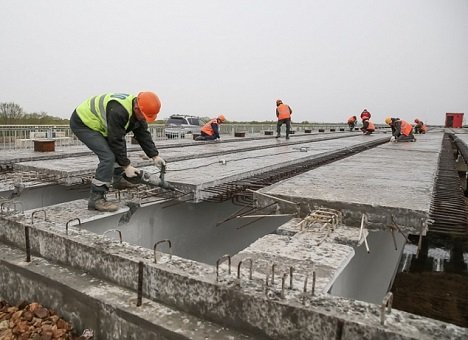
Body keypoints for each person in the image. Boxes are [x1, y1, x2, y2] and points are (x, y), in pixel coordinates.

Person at [70, 92, 166, 212]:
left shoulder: (137, 111)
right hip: (83, 123)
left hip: (99, 124)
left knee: (118, 148)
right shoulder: (119, 111)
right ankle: (96, 198)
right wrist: (126, 166)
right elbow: (115, 140)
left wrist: (154, 155)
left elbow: (143, 135)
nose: (143, 119)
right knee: (108, 157)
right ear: (137, 108)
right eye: (144, 116)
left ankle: (118, 180)